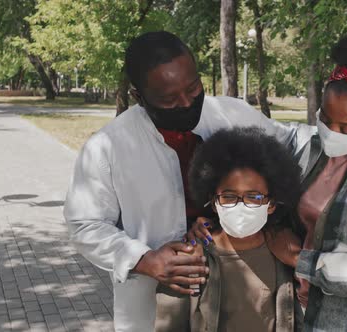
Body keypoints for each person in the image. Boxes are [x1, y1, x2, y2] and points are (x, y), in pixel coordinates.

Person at [63, 31, 306, 331]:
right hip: (153, 306)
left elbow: (291, 149)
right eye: (169, 98)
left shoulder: (232, 113)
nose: (187, 102)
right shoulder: (107, 148)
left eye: (193, 88)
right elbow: (85, 224)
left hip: (246, 293)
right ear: (140, 97)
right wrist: (145, 260)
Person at [189, 30, 347, 331]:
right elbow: (260, 191)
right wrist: (217, 223)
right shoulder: (308, 147)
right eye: (325, 118)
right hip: (302, 314)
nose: (331, 131)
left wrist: (302, 260)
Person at [157, 127, 302, 331]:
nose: (241, 206)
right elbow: (170, 325)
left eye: (254, 197)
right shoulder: (189, 259)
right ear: (213, 201)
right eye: (229, 196)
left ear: (271, 204)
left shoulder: (283, 252)